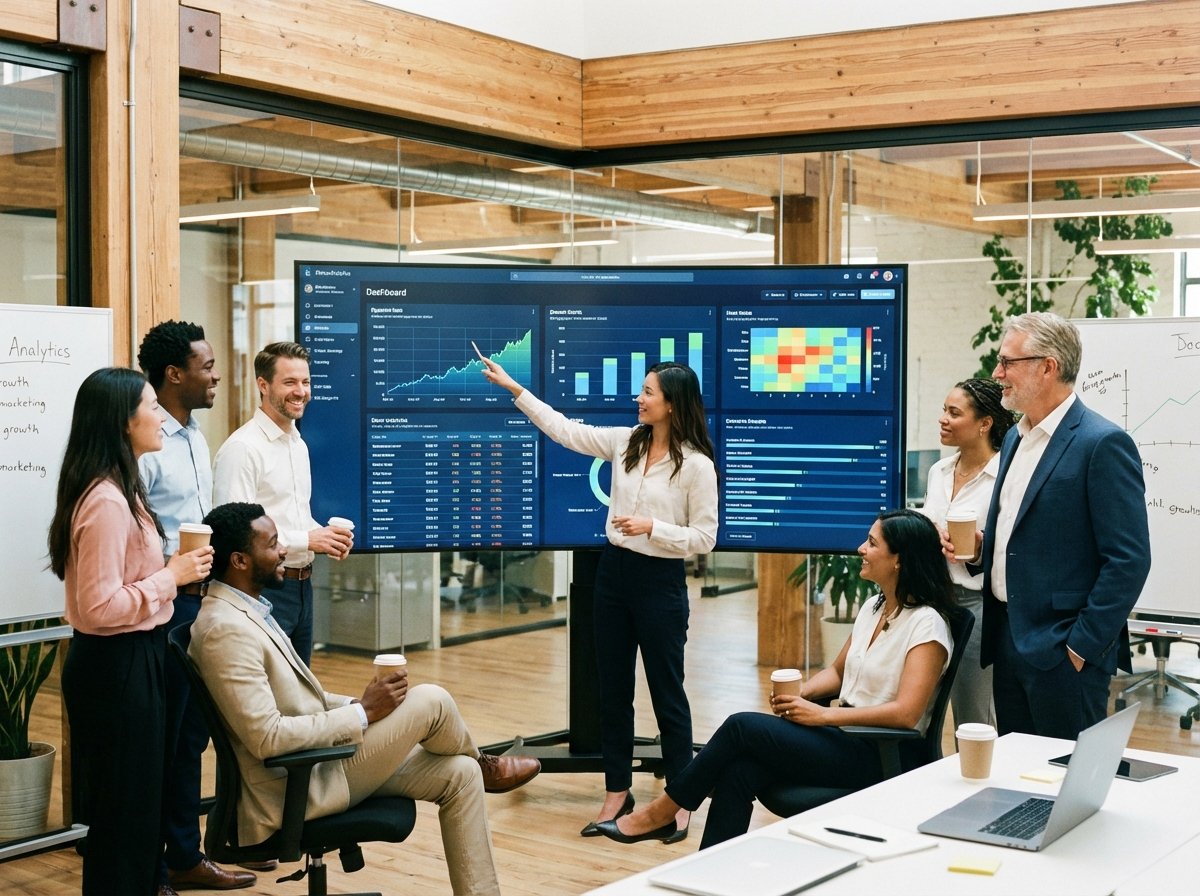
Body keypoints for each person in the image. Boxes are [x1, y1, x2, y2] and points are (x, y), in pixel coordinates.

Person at [188, 502, 541, 896]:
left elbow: (305, 699)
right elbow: (267, 737)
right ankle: (485, 763)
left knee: (460, 774)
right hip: (295, 789)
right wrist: (364, 713)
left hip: (320, 766)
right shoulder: (225, 630)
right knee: (432, 699)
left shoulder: (247, 610)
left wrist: (360, 706)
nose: (284, 550)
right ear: (239, 560)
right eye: (272, 544)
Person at [598, 509, 954, 850]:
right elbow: (837, 672)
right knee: (739, 770)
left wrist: (823, 715)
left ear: (899, 560)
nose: (861, 548)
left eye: (872, 543)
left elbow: (906, 713)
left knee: (741, 727)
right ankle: (710, 872)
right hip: (847, 738)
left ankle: (664, 811)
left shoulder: (927, 624)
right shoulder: (874, 608)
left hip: (883, 753)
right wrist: (801, 693)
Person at [481, 357, 718, 841]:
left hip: (660, 583)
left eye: (648, 392)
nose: (639, 399)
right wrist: (515, 389)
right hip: (613, 576)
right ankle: (616, 792)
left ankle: (680, 800)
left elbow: (705, 538)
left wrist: (653, 527)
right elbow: (564, 430)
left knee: (668, 694)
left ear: (672, 404)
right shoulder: (625, 442)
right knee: (612, 692)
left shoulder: (697, 465)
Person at [48, 367, 213, 896]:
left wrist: (168, 568)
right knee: (122, 817)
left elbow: (121, 581)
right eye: (150, 407)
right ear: (123, 421)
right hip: (115, 664)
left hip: (134, 656)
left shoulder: (124, 487)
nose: (160, 417)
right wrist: (172, 577)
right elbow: (98, 607)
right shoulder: (105, 500)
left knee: (137, 810)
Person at [973, 312, 1151, 740]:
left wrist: (1080, 647)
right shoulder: (1014, 438)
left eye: (1007, 362)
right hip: (1008, 640)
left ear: (1047, 367)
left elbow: (1128, 560)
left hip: (1063, 652)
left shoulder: (1101, 443)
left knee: (1065, 772)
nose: (997, 374)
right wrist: (983, 548)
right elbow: (1024, 531)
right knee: (1017, 770)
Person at [136, 322, 254, 893]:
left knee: (190, 738)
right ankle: (152, 869)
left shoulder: (194, 436)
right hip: (162, 608)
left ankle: (185, 855)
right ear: (174, 374)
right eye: (206, 366)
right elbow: (131, 535)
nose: (216, 375)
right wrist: (174, 563)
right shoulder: (145, 443)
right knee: (160, 742)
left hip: (200, 604)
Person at [212, 341, 353, 664]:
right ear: (263, 385)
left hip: (303, 588)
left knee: (299, 688)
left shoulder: (297, 444)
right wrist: (308, 540)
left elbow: (294, 517)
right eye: (290, 382)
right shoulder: (243, 449)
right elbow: (235, 534)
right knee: (269, 689)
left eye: (305, 382)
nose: (300, 392)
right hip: (264, 590)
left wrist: (327, 536)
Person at [919, 377, 1015, 729]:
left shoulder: (1006, 476)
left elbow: (1013, 546)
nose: (943, 419)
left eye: (954, 413)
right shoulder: (939, 471)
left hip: (979, 606)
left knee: (973, 716)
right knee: (920, 709)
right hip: (933, 601)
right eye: (944, 410)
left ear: (984, 423)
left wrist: (976, 549)